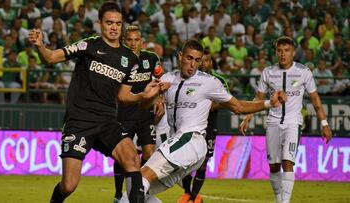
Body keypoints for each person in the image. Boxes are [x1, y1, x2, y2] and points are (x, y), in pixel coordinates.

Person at [28, 2, 167, 203]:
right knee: (69, 185)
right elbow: (50, 58)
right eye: (109, 22)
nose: (114, 27)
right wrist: (40, 45)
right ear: (99, 23)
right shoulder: (88, 45)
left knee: (132, 159)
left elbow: (123, 96)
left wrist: (144, 96)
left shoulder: (129, 58)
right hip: (79, 121)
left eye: (118, 23)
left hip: (108, 121)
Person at [121, 40, 286, 202]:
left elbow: (238, 107)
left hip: (191, 141)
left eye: (197, 60)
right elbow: (144, 105)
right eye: (189, 58)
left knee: (141, 178)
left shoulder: (209, 82)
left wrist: (269, 103)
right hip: (178, 144)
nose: (193, 64)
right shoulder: (167, 78)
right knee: (133, 189)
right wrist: (153, 94)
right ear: (180, 56)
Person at [239, 36, 332, 203]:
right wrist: (247, 118)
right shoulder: (268, 72)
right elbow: (258, 98)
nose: (283, 54)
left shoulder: (304, 72)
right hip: (272, 123)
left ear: (293, 52)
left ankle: (285, 202)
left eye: (286, 51)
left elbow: (315, 99)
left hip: (292, 122)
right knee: (274, 166)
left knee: (287, 161)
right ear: (276, 52)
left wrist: (324, 123)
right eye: (279, 51)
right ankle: (278, 199)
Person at [113, 25, 164, 203]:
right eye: (129, 40)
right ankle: (118, 194)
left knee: (149, 154)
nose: (133, 43)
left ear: (141, 41)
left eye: (136, 40)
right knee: (123, 157)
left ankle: (139, 189)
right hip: (125, 114)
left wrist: (160, 98)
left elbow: (160, 80)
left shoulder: (151, 58)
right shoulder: (119, 59)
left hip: (145, 114)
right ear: (124, 41)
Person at [178, 49, 230, 203]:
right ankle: (188, 193)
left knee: (203, 162)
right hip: (188, 125)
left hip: (209, 126)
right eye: (201, 61)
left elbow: (225, 102)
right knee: (185, 162)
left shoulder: (218, 80)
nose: (203, 64)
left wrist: (205, 104)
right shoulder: (188, 78)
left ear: (211, 63)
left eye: (206, 60)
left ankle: (193, 197)